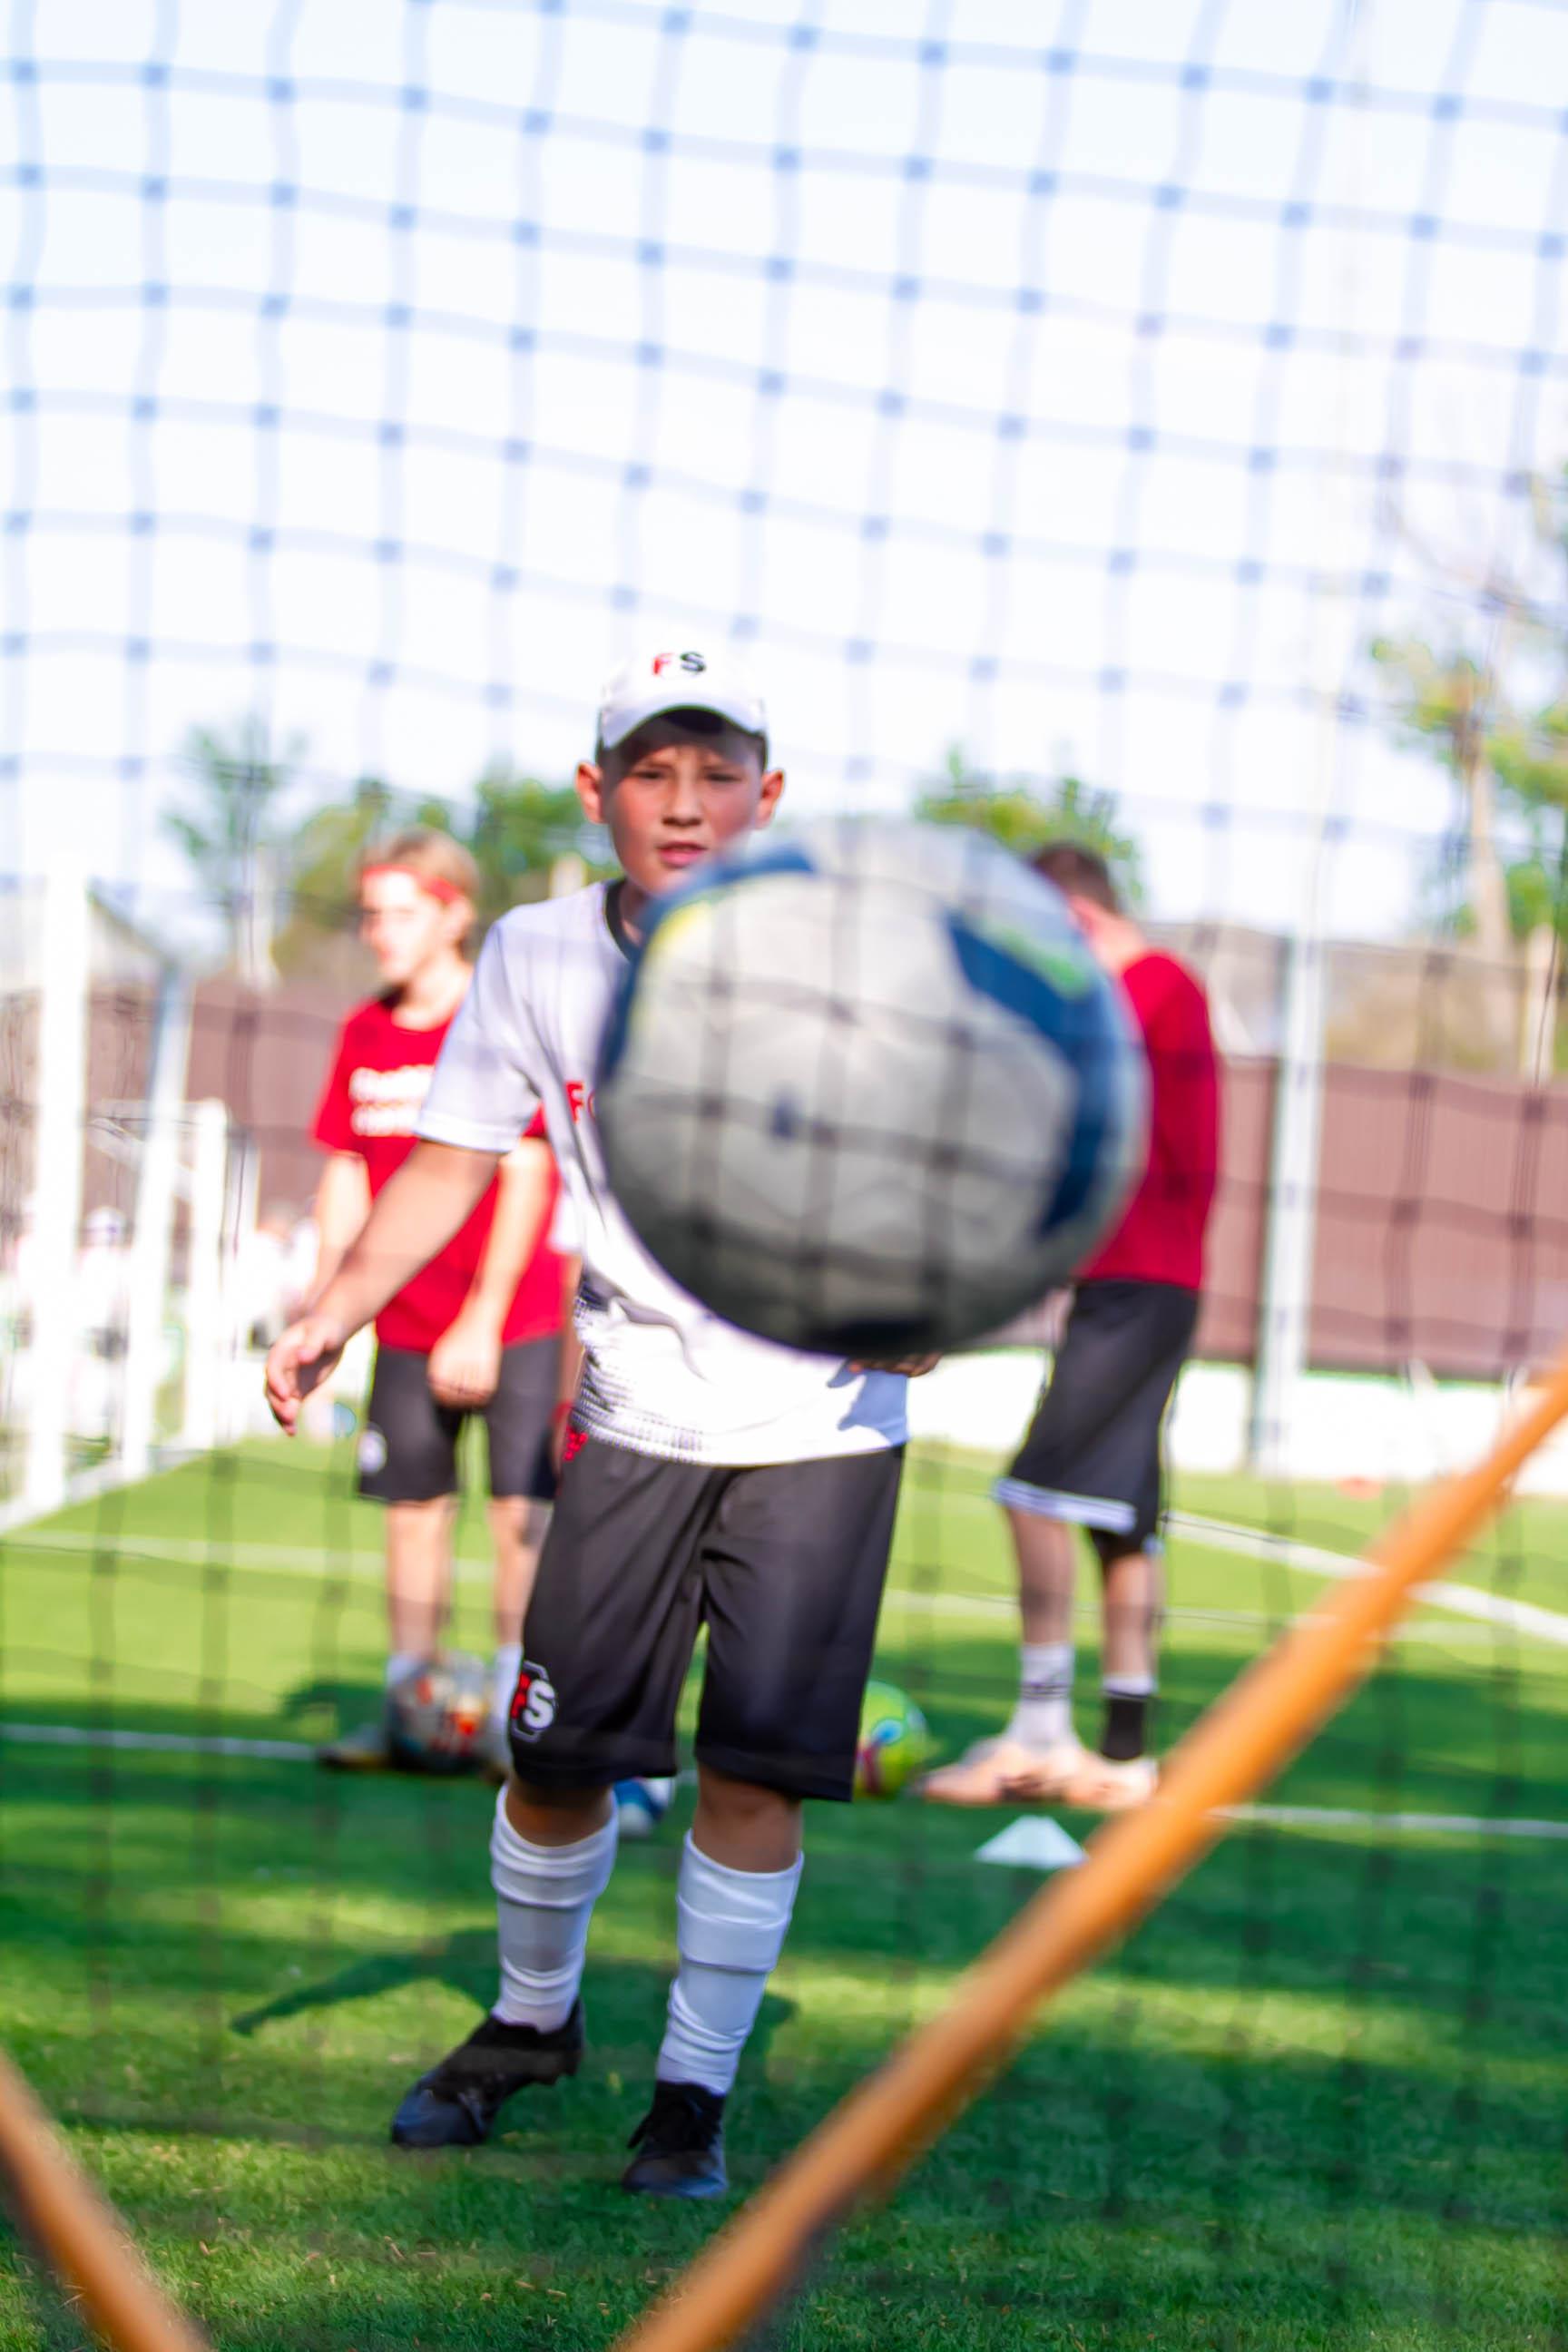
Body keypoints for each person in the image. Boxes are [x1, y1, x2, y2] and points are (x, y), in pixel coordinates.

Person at [265, 650, 929, 2198]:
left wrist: (923, 1294)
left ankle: (689, 2096)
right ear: (596, 791)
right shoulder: (532, 953)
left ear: (772, 792)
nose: (684, 803)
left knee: (752, 1776)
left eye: (717, 772)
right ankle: (528, 2022)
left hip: (823, 1429)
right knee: (550, 1756)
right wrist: (336, 1309)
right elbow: (446, 1156)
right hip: (628, 1414)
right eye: (651, 770)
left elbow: (934, 1169)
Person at [923, 840, 1220, 1815]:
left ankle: (1040, 1733)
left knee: (1032, 1496)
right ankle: (1127, 1757)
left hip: (1141, 1288)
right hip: (1130, 1285)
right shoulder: (1140, 993)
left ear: (1079, 920)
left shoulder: (1153, 988)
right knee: (1120, 1525)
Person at [309, 828, 567, 1774]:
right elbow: (346, 1171)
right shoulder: (363, 1033)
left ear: (455, 915)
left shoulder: (496, 1019)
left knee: (518, 1516)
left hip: (514, 1322)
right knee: (412, 1512)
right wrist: (330, 1308)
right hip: (405, 1328)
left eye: (400, 913)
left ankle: (514, 1722)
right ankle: (408, 1705)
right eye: (370, 914)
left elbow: (529, 1173)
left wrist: (482, 1320)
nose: (380, 932)